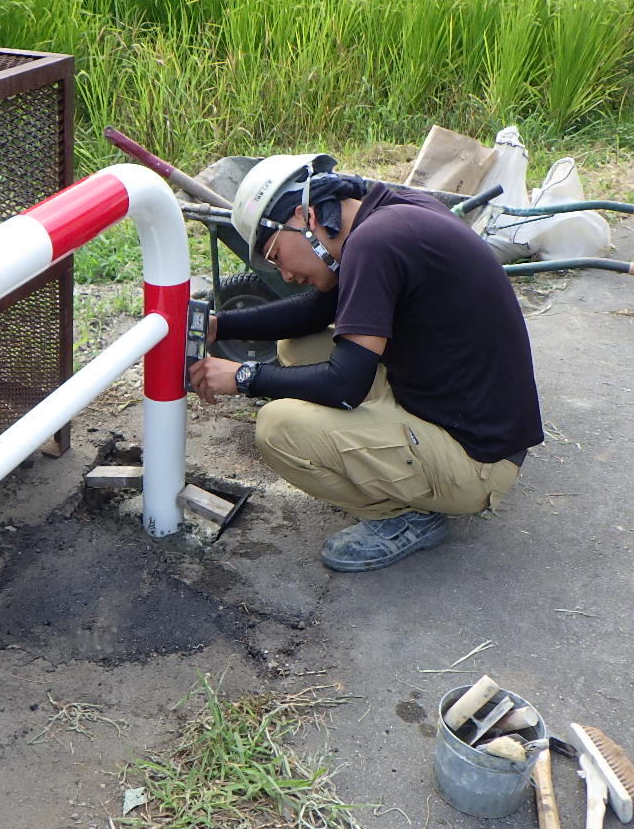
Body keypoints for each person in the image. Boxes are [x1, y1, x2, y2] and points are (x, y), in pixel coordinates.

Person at [187, 154, 542, 571]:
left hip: (476, 461)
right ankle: (377, 454)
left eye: (276, 254)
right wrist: (219, 326)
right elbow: (318, 311)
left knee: (278, 427)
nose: (283, 274)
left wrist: (245, 376)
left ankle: (404, 519)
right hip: (466, 413)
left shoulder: (375, 243)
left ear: (306, 217)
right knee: (298, 350)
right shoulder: (391, 213)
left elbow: (345, 385)